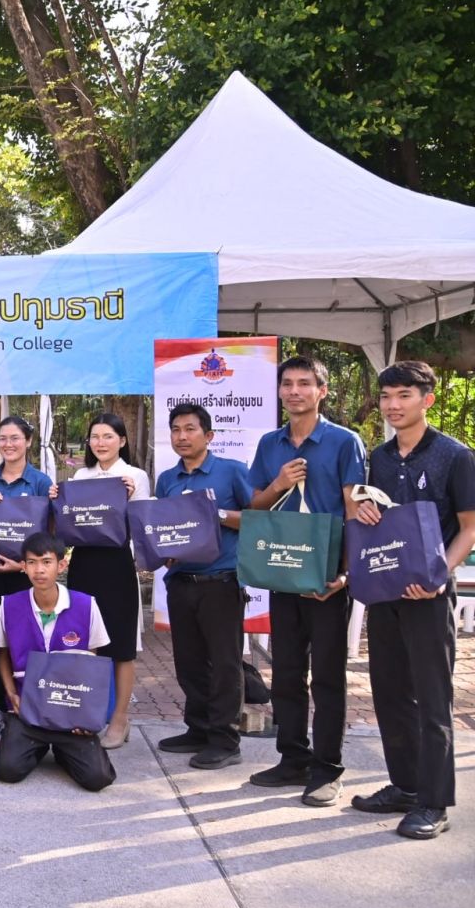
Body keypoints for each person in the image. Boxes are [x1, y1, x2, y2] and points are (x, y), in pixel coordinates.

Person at [349, 361, 475, 840]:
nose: (393, 405)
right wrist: (363, 509)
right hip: (386, 593)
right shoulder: (379, 458)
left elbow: (470, 528)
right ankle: (404, 786)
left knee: (432, 699)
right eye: (386, 396)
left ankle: (434, 803)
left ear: (428, 400)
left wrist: (439, 574)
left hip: (429, 595)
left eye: (404, 395)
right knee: (390, 693)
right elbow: (376, 517)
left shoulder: (455, 456)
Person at [247, 355, 367, 806]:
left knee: (328, 677)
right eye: (287, 384)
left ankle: (327, 767)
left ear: (322, 391)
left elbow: (354, 511)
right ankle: (292, 758)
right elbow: (255, 507)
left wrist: (347, 573)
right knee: (286, 673)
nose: (294, 391)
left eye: (304, 383)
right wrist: (279, 483)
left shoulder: (344, 442)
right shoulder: (269, 444)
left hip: (327, 577)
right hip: (283, 571)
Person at [153, 403, 255, 770]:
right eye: (176, 430)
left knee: (225, 663)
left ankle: (225, 740)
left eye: (190, 429)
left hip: (221, 582)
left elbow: (257, 517)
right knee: (189, 662)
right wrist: (162, 549)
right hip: (181, 582)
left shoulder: (232, 471)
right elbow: (165, 527)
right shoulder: (167, 479)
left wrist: (218, 513)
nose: (182, 436)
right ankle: (197, 730)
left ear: (208, 435)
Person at [51, 412, 151, 750]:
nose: (100, 442)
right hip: (84, 563)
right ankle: (87, 714)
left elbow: (141, 526)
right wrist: (57, 500)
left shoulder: (135, 476)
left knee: (121, 647)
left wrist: (130, 497)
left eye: (108, 436)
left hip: (117, 565)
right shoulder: (80, 476)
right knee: (82, 641)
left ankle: (119, 719)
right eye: (95, 436)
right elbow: (70, 522)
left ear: (122, 440)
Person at [0, 532, 116, 791]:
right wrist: (11, 694)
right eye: (32, 562)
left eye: (46, 562)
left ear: (61, 565)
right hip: (27, 709)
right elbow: (2, 653)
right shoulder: (9, 605)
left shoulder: (86, 605)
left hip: (70, 709)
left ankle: (63, 750)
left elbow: (93, 661)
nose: (39, 570)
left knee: (97, 778)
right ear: (23, 566)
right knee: (9, 770)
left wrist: (88, 713)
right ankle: (35, 745)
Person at [0, 415, 54, 723]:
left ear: (28, 441)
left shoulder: (40, 483)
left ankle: (26, 702)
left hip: (25, 576)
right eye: (3, 438)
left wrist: (23, 565)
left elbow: (50, 535)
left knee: (25, 637)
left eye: (15, 438)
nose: (9, 444)